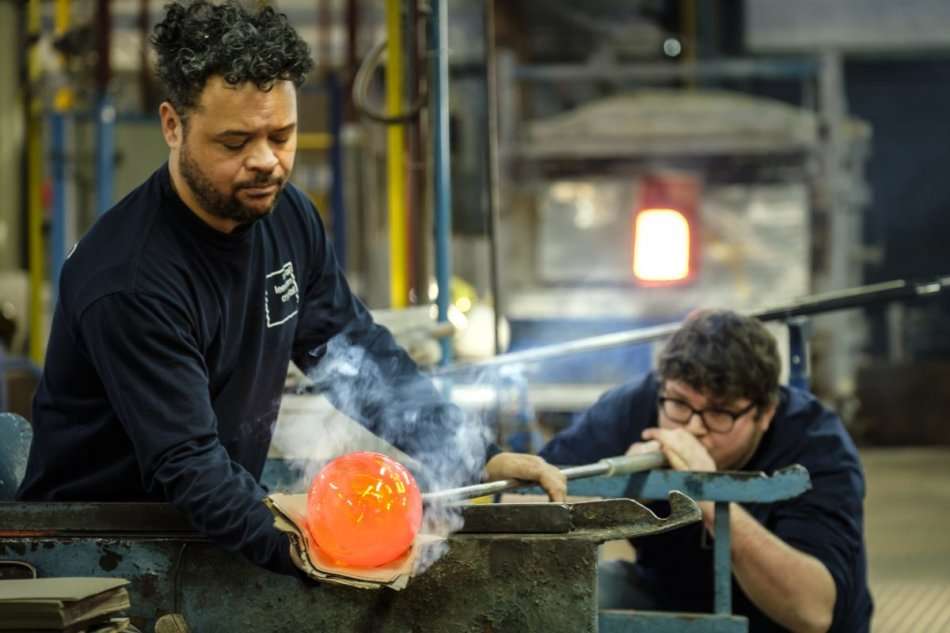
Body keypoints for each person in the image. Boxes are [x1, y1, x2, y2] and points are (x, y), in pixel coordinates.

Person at [17, 1, 565, 578]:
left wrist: (475, 456)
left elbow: (353, 354)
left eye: (282, 135)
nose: (265, 162)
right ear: (173, 125)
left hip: (200, 524)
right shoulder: (131, 280)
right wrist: (313, 555)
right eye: (234, 143)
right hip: (96, 550)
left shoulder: (287, 217)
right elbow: (188, 464)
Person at [540, 310, 872, 633]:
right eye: (680, 404)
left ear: (766, 412)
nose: (694, 428)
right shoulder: (637, 406)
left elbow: (813, 612)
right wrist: (609, 495)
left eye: (720, 413)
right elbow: (528, 499)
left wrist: (705, 493)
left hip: (777, 620)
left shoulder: (815, 446)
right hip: (671, 597)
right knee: (567, 595)